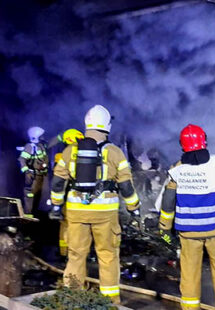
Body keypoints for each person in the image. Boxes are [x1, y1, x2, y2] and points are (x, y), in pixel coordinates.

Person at [49, 105, 140, 303]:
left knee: (75, 256)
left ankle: (72, 299)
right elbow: (126, 186)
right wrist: (134, 209)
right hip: (105, 215)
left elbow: (57, 181)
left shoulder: (70, 150)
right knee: (107, 256)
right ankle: (110, 302)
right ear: (107, 125)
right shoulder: (115, 153)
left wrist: (56, 206)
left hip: (76, 212)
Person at [159, 124, 215, 310]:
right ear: (204, 141)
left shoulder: (176, 169)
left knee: (189, 274)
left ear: (182, 145)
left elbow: (168, 202)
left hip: (188, 233)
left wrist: (164, 227)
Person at [50, 128, 85, 257]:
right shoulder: (90, 153)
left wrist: (56, 205)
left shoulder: (63, 155)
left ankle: (65, 253)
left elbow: (58, 181)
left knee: (66, 224)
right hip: (85, 197)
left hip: (68, 195)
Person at [19, 126, 49, 217]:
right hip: (32, 175)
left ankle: (36, 213)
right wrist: (27, 172)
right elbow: (21, 160)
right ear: (35, 137)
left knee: (39, 195)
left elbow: (44, 159)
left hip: (41, 175)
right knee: (30, 195)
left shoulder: (41, 146)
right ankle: (27, 215)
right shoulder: (29, 147)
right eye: (41, 136)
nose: (43, 138)